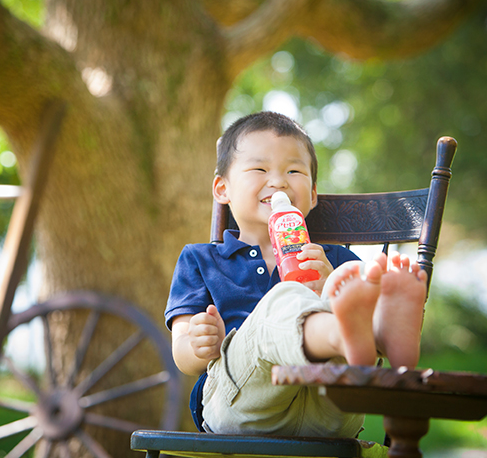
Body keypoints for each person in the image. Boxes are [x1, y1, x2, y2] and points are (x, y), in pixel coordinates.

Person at [165, 111, 428, 438]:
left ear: (313, 194)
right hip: (239, 406)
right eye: (259, 168)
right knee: (285, 300)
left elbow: (342, 282)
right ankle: (347, 333)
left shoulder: (333, 261)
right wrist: (200, 344)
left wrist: (329, 284)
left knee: (342, 284)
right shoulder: (201, 259)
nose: (278, 182)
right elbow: (182, 357)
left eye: (293, 170)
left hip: (330, 409)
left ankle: (378, 334)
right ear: (222, 188)